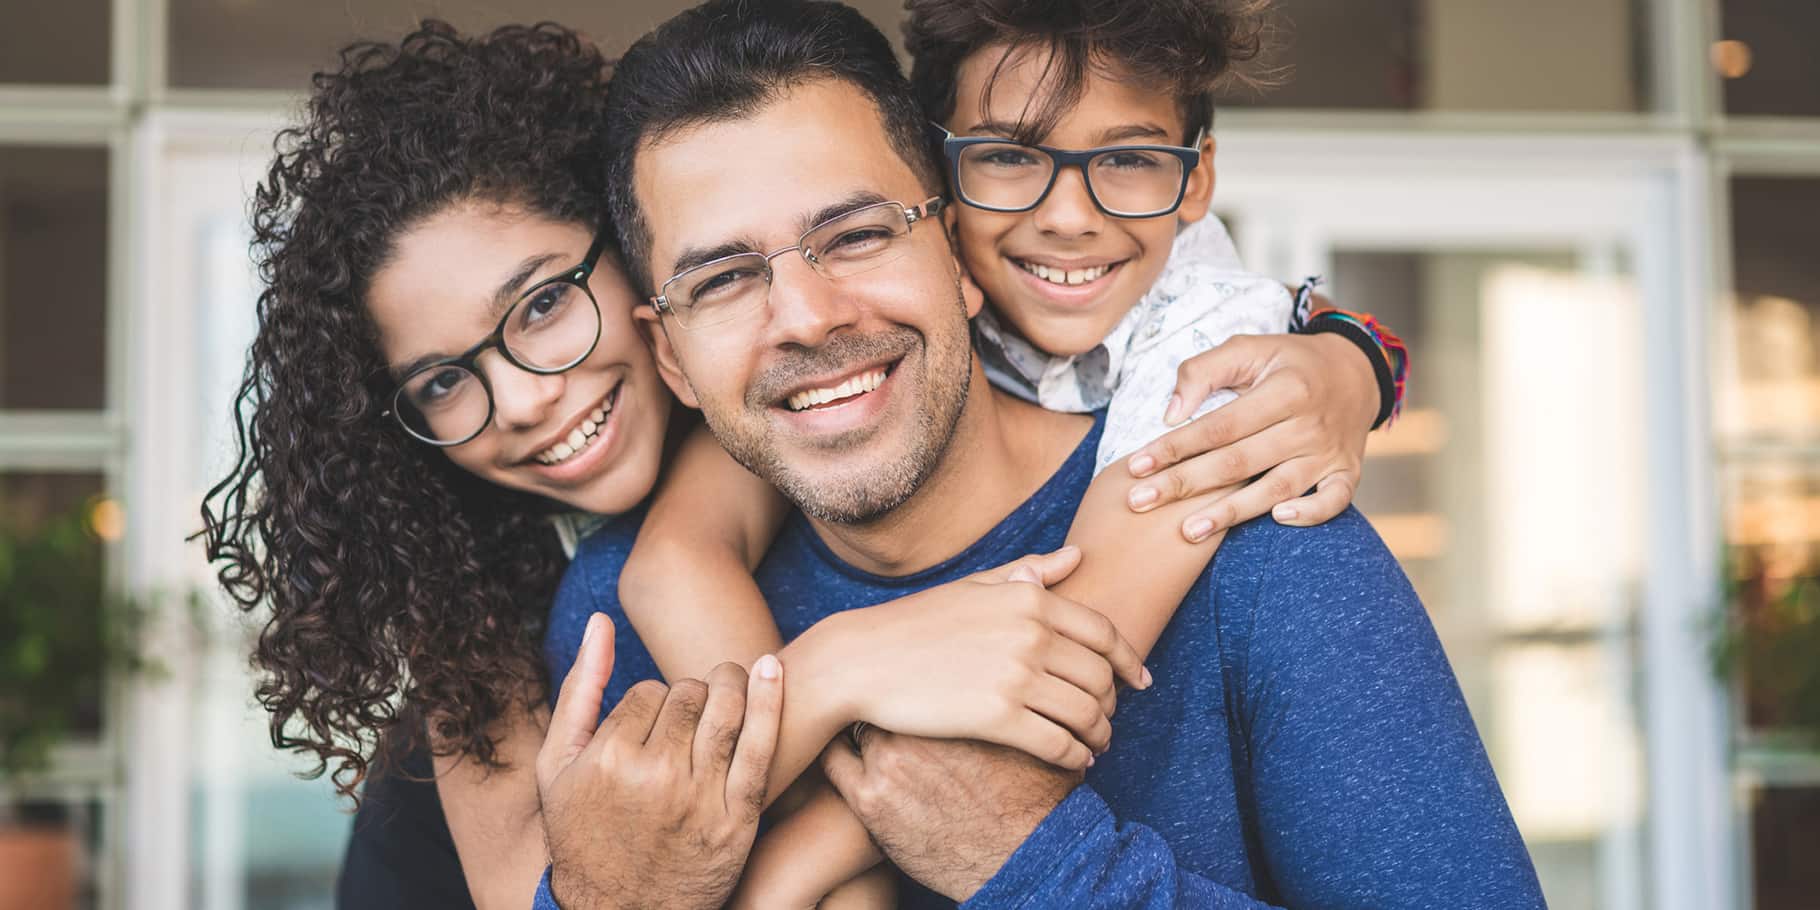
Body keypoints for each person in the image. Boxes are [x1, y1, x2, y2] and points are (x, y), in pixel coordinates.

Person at [202, 19, 1387, 910]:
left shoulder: (798, 423)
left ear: (622, 264)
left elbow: (1200, 319)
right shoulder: (513, 624)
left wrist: (1353, 357)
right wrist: (839, 671)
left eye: (545, 307)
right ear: (673, 324)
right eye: (444, 384)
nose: (524, 396)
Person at [534, 1, 1545, 907]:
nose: (805, 317)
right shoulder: (615, 611)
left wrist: (1043, 866)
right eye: (720, 280)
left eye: (856, 234)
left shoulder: (1257, 528)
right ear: (666, 351)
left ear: (953, 246)